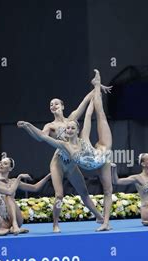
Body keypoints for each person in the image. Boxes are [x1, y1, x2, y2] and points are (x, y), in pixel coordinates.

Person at [18, 70, 115, 231]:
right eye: (51, 105)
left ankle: (99, 216)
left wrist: (97, 87)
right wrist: (28, 127)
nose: (53, 106)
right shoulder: (50, 126)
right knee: (59, 195)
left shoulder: (72, 120)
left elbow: (86, 102)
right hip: (58, 161)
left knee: (84, 193)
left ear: (62, 106)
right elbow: (41, 137)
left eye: (56, 103)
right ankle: (55, 223)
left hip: (72, 161)